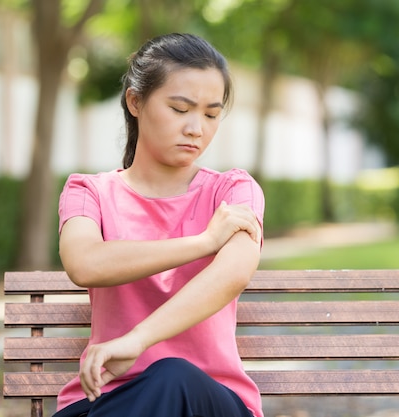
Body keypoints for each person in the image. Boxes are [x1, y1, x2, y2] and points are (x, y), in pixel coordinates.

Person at [52, 33, 265, 417]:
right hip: (108, 400)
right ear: (135, 101)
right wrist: (203, 242)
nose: (196, 128)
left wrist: (137, 341)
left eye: (211, 114)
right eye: (180, 109)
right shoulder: (88, 191)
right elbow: (85, 264)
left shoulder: (233, 191)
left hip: (209, 402)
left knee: (173, 377)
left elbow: (234, 273)